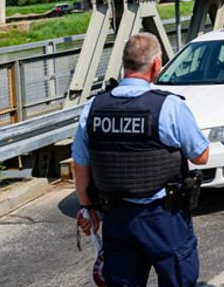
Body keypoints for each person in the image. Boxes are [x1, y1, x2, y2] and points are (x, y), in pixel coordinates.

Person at [73, 32, 210, 287]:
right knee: (178, 280)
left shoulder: (93, 108)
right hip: (163, 218)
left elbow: (80, 164)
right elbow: (201, 156)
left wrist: (86, 207)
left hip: (116, 217)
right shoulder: (168, 107)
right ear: (156, 65)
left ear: (125, 63)